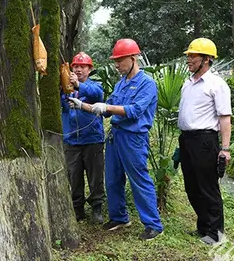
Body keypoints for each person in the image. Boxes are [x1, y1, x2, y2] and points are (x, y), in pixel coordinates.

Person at [69, 39, 163, 241]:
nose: (117, 64)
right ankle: (119, 217)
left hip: (133, 138)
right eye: (116, 60)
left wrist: (107, 108)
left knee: (139, 180)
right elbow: (104, 107)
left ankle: (153, 224)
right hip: (116, 136)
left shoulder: (147, 84)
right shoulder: (121, 84)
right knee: (112, 179)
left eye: (120, 60)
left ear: (133, 58)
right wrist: (81, 105)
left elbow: (134, 111)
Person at [178, 38, 232, 245]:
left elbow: (224, 117)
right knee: (191, 186)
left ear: (207, 59)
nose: (189, 59)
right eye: (189, 56)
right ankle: (203, 226)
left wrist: (225, 149)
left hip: (205, 141)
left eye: (193, 56)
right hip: (187, 139)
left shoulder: (217, 84)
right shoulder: (188, 83)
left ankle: (216, 233)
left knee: (208, 187)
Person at [60, 52, 106, 224]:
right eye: (76, 66)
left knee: (95, 176)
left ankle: (97, 207)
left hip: (92, 139)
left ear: (89, 69)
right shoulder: (65, 87)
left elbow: (97, 96)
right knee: (74, 176)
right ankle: (77, 209)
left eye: (83, 66)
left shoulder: (95, 87)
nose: (79, 69)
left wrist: (78, 85)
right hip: (71, 139)